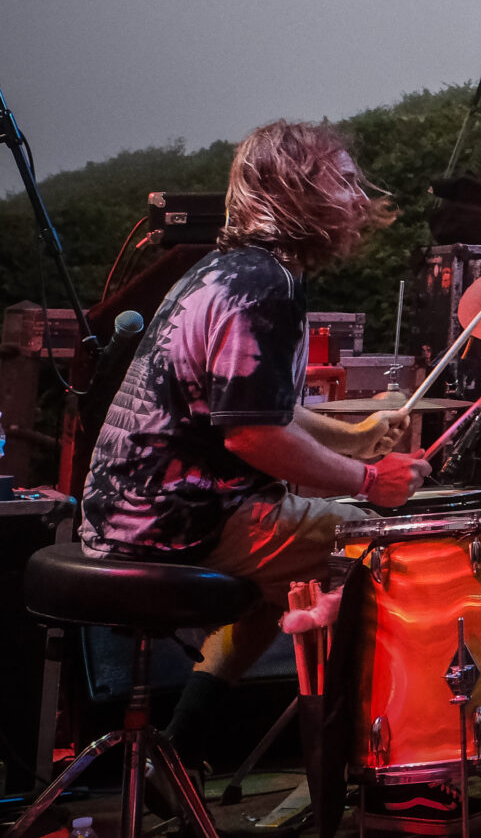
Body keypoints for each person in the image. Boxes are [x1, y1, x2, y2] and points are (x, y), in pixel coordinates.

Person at [81, 122, 425, 764]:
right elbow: (251, 434)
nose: (357, 197)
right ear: (296, 190)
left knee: (283, 586)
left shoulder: (225, 268)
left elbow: (258, 405)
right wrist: (371, 483)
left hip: (126, 509)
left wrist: (356, 437)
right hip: (178, 517)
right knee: (384, 548)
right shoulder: (264, 284)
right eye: (342, 180)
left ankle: (178, 749)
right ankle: (376, 760)